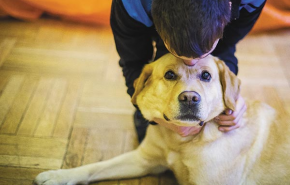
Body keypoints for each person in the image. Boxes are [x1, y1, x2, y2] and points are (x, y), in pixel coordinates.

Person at [110, 0, 266, 143]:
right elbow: (133, 63)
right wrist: (154, 115)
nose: (190, 62)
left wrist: (231, 96)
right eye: (178, 53)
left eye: (202, 54)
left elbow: (225, 47)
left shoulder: (252, 2)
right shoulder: (131, 4)